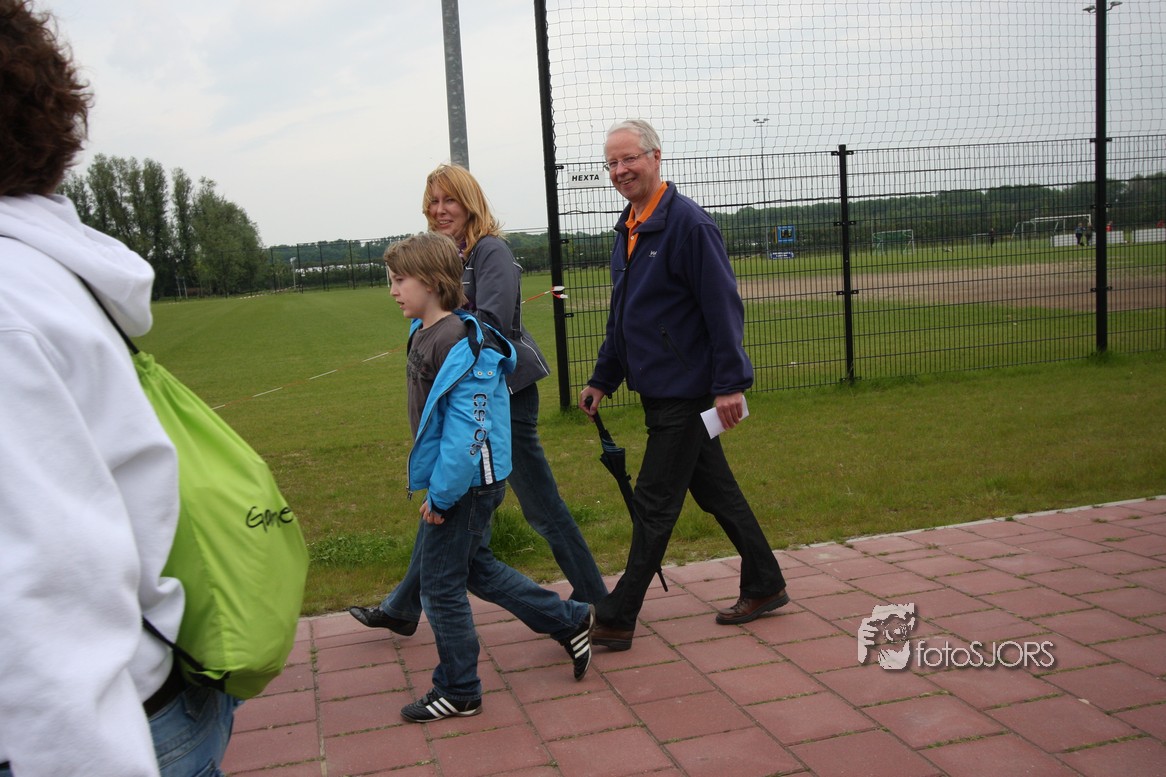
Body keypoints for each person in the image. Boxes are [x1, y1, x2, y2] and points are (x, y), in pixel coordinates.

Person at [0, 1, 237, 774]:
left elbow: (45, 598)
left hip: (101, 726)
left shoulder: (9, 300)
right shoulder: (48, 273)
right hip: (154, 689)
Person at [350, 164, 606, 635]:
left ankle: (598, 605)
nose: (440, 209)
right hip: (466, 396)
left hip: (503, 395)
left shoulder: (490, 251)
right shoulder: (444, 254)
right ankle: (403, 607)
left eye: (449, 199)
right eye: (433, 201)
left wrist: (442, 316)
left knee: (540, 507)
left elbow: (492, 325)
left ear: (470, 202)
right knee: (448, 508)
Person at [578, 119, 789, 651]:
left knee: (654, 502)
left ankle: (618, 615)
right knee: (716, 491)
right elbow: (624, 317)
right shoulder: (629, 228)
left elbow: (722, 307)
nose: (620, 170)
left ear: (656, 157)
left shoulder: (689, 225)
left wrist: (730, 384)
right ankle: (765, 582)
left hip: (687, 391)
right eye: (612, 163)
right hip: (659, 388)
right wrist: (604, 377)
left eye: (629, 158)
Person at [381, 232, 594, 722]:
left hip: (468, 484)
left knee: (439, 586)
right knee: (475, 569)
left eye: (400, 280)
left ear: (431, 282)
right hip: (458, 480)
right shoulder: (425, 332)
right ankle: (569, 620)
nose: (392, 290)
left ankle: (459, 688)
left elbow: (468, 433)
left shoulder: (462, 343)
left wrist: (442, 495)